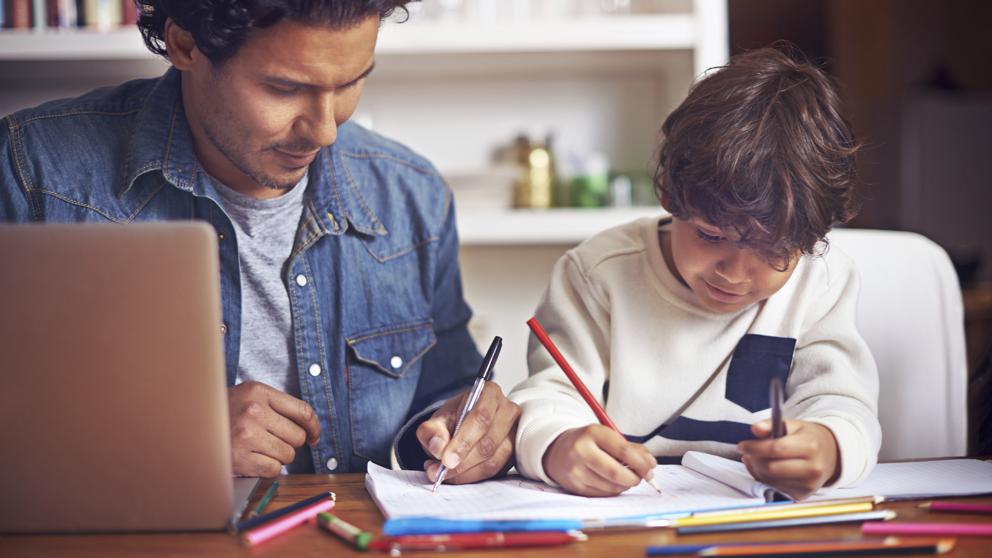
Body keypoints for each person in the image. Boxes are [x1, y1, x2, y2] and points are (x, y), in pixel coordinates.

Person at [0, 0, 520, 483]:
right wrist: (171, 434)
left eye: (350, 84)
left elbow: (444, 389)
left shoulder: (412, 194)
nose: (323, 131)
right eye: (285, 89)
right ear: (185, 46)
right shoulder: (33, 173)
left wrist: (466, 431)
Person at [510, 47, 881, 500]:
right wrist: (556, 446)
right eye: (710, 235)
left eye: (774, 251)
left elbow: (844, 404)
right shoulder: (596, 274)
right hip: (623, 520)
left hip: (764, 521)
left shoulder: (821, 282)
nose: (735, 273)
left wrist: (830, 446)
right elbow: (548, 396)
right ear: (670, 195)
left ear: (811, 238)